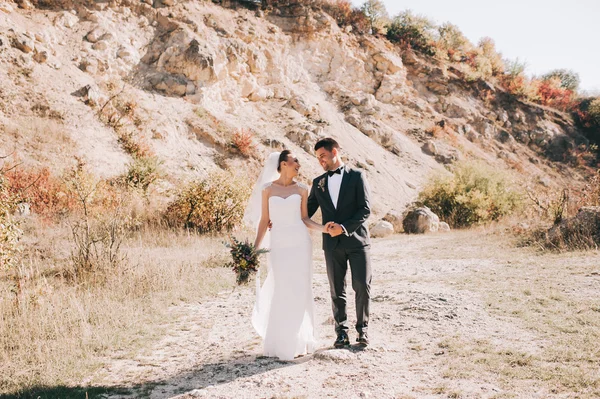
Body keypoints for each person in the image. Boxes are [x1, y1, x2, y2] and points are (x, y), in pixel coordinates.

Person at [245, 150, 333, 360]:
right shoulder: (267, 190)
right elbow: (264, 221)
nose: (298, 165)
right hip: (279, 244)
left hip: (300, 243)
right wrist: (254, 249)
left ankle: (298, 340)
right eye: (295, 161)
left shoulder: (303, 189)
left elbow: (305, 218)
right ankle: (279, 343)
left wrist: (324, 229)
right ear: (283, 164)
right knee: (281, 288)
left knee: (299, 288)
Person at [307, 137, 373, 348]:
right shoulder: (318, 183)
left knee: (362, 285)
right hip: (331, 245)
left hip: (357, 241)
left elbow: (365, 209)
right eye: (318, 158)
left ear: (335, 151)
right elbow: (306, 211)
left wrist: (343, 228)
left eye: (323, 156)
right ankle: (341, 333)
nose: (321, 161)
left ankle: (362, 330)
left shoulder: (357, 176)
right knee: (337, 289)